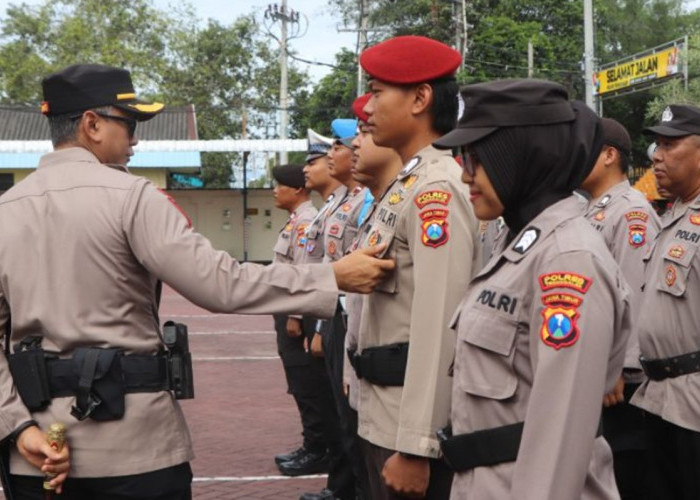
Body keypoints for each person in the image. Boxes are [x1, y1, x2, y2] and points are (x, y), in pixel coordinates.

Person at [0, 63, 394, 499]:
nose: (135, 140)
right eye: (128, 124)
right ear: (92, 124)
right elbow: (218, 284)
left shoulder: (7, 209)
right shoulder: (133, 198)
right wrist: (330, 276)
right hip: (133, 452)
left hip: (37, 455)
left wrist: (17, 428)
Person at [433, 78, 631, 499]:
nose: (465, 174)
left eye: (476, 157)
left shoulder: (567, 260)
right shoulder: (521, 240)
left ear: (520, 155)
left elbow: (560, 440)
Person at [350, 35, 480, 499]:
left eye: (378, 91)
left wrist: (418, 446)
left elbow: (440, 323)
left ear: (421, 98)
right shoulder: (408, 183)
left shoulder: (437, 190)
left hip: (406, 431)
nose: (366, 108)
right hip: (383, 413)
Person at [579, 117, 660, 499]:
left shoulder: (630, 212)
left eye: (585, 149)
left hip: (619, 386)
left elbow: (635, 292)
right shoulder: (591, 210)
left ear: (609, 155)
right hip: (593, 371)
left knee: (624, 472)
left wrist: (621, 370)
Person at [631, 104, 700, 499]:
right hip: (660, 398)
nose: (656, 155)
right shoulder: (674, 214)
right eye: (657, 144)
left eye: (670, 144)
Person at [301, 118, 370, 500]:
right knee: (342, 413)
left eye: (337, 147)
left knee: (352, 414)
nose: (332, 155)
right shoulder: (340, 201)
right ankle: (343, 488)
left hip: (350, 311)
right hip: (336, 309)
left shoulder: (366, 200)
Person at [278, 128, 344, 478]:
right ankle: (327, 461)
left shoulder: (336, 210)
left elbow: (320, 269)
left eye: (314, 161)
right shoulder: (326, 211)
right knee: (312, 390)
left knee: (321, 393)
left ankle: (325, 458)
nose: (308, 168)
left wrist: (306, 318)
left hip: (321, 312)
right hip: (315, 310)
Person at [269, 163, 332, 478]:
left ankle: (317, 448)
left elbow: (304, 270)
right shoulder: (297, 220)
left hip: (297, 314)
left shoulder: (307, 221)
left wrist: (295, 316)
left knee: (307, 384)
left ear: (296, 189)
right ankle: (312, 445)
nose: (274, 191)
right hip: (287, 310)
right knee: (299, 384)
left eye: (279, 185)